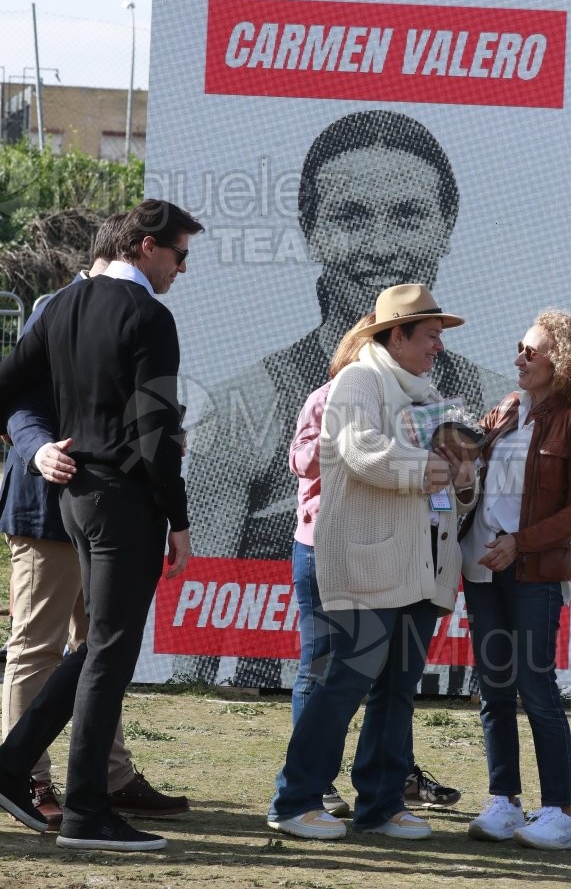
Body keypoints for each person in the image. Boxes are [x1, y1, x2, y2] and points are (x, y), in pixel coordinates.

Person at [177, 108, 513, 688]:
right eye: (350, 217)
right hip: (306, 667)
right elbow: (195, 639)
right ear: (310, 231)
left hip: (423, 640)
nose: (381, 245)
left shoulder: (485, 397)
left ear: (446, 224)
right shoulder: (247, 406)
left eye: (408, 216)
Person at [0, 198, 203, 852]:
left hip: (75, 500)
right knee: (108, 653)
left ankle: (9, 768)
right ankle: (86, 812)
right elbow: (155, 434)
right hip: (123, 503)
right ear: (146, 246)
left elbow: (6, 387)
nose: (181, 268)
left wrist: (41, 446)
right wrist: (178, 517)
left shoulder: (59, 306)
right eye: (178, 254)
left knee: (96, 650)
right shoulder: (148, 314)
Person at [267, 283, 475, 841]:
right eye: (431, 335)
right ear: (397, 334)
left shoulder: (425, 390)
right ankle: (295, 800)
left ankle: (381, 804)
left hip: (420, 564)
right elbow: (359, 450)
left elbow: (447, 484)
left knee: (398, 686)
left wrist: (461, 474)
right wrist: (433, 467)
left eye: (439, 336)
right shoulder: (359, 379)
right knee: (347, 680)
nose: (439, 346)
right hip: (368, 561)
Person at [460, 310, 571, 851]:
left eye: (531, 351)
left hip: (534, 570)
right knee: (493, 688)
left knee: (535, 686)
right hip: (480, 566)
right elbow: (475, 482)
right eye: (519, 347)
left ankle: (562, 812)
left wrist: (521, 542)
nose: (519, 357)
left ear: (559, 360)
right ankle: (504, 800)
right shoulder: (505, 409)